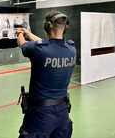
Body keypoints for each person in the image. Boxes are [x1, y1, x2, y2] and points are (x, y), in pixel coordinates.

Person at [16, 10, 76, 138]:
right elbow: (48, 46)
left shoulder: (38, 49)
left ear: (46, 27)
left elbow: (22, 44)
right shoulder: (71, 49)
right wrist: (29, 33)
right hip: (63, 112)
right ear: (65, 28)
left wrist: (21, 33)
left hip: (40, 116)